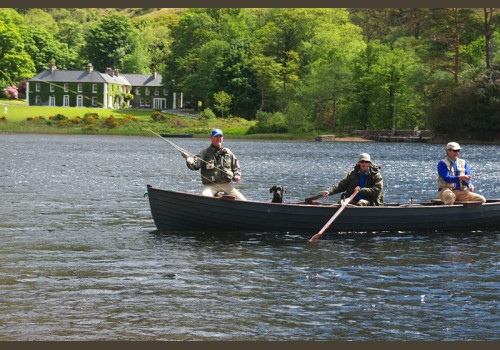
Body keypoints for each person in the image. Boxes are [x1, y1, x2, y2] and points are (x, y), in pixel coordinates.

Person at [181, 128, 246, 200]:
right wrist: (187, 158)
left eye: (220, 136)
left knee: (243, 201)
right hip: (210, 186)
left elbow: (236, 167)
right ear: (211, 138)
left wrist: (237, 175)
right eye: (216, 136)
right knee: (206, 199)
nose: (218, 138)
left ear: (222, 138)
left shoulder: (228, 152)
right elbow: (195, 165)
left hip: (225, 185)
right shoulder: (204, 152)